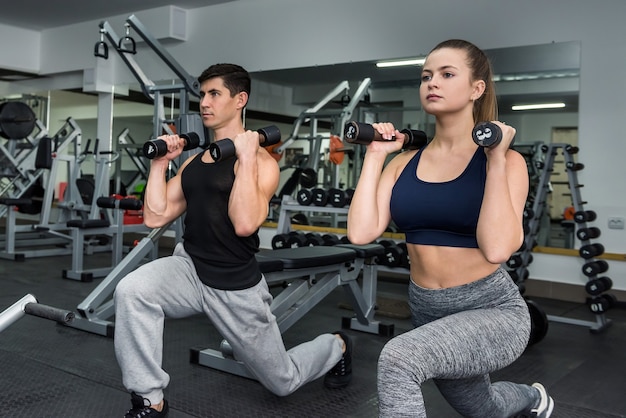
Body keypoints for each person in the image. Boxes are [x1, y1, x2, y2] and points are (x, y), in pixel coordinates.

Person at [114, 63, 352, 418]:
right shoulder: (193, 162)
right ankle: (150, 398)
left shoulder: (261, 162)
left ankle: (338, 346)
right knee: (132, 290)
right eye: (202, 95)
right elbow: (154, 216)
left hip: (234, 284)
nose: (204, 103)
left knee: (283, 381)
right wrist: (158, 165)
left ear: (240, 99)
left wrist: (245, 158)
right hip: (189, 267)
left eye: (214, 94)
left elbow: (244, 224)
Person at [347, 39, 554, 418]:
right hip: (428, 309)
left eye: (446, 74)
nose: (432, 83)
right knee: (483, 409)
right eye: (426, 76)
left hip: (493, 310)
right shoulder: (403, 163)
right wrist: (375, 156)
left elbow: (496, 250)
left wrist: (493, 159)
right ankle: (532, 398)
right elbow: (361, 233)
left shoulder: (508, 163)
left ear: (477, 89)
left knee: (399, 359)